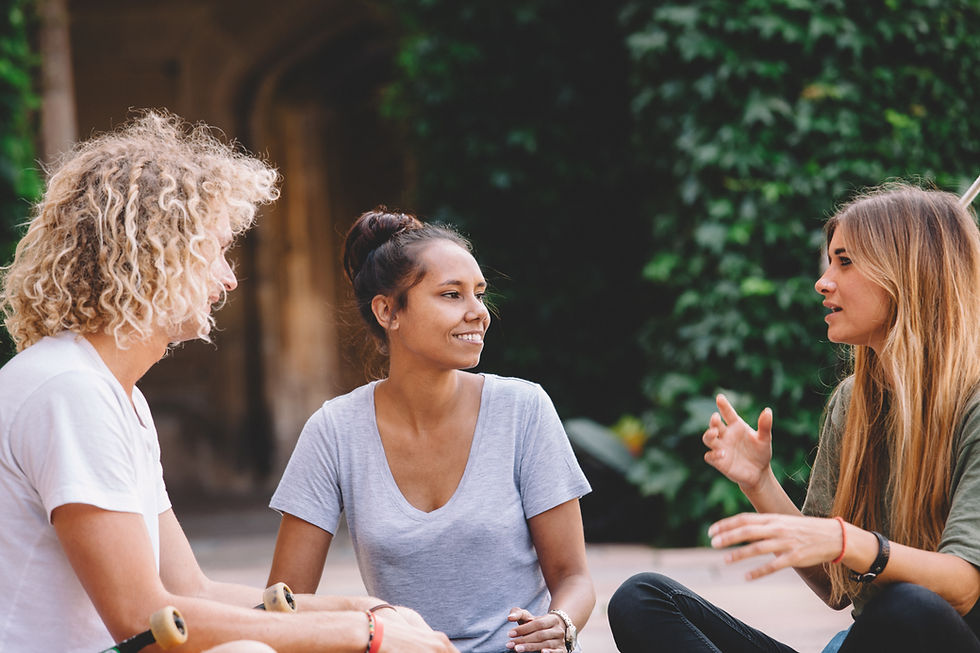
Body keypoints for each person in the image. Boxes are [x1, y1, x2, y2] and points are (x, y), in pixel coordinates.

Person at [0, 111, 456, 653]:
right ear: (154, 256)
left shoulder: (111, 392)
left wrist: (358, 608)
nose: (229, 277)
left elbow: (190, 589)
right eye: (215, 251)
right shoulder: (69, 391)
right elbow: (143, 619)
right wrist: (361, 636)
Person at [608, 183, 980, 652]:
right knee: (642, 598)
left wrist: (850, 540)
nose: (823, 282)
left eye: (844, 261)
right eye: (830, 261)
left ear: (909, 274)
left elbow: (965, 586)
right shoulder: (855, 401)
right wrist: (760, 483)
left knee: (909, 606)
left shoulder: (975, 403)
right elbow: (834, 586)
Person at [266, 208, 596, 653]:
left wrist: (560, 623)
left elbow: (574, 579)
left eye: (479, 294)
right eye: (451, 295)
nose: (479, 313)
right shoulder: (335, 430)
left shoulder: (524, 409)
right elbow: (285, 602)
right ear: (388, 311)